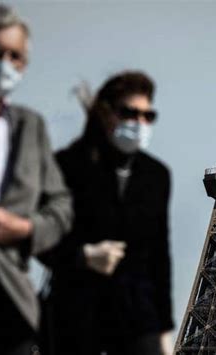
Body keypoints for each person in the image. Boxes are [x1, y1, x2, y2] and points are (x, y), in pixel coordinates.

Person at [0, 4, 73, 355]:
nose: (6, 64)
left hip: (11, 299)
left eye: (16, 56)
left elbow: (60, 206)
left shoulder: (32, 126)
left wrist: (24, 229)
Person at [41, 72, 174, 355]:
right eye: (130, 113)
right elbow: (39, 239)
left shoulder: (156, 175)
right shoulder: (66, 166)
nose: (139, 122)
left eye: (148, 116)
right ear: (105, 113)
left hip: (138, 317)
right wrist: (83, 255)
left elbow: (159, 258)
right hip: (78, 312)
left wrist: (164, 330)